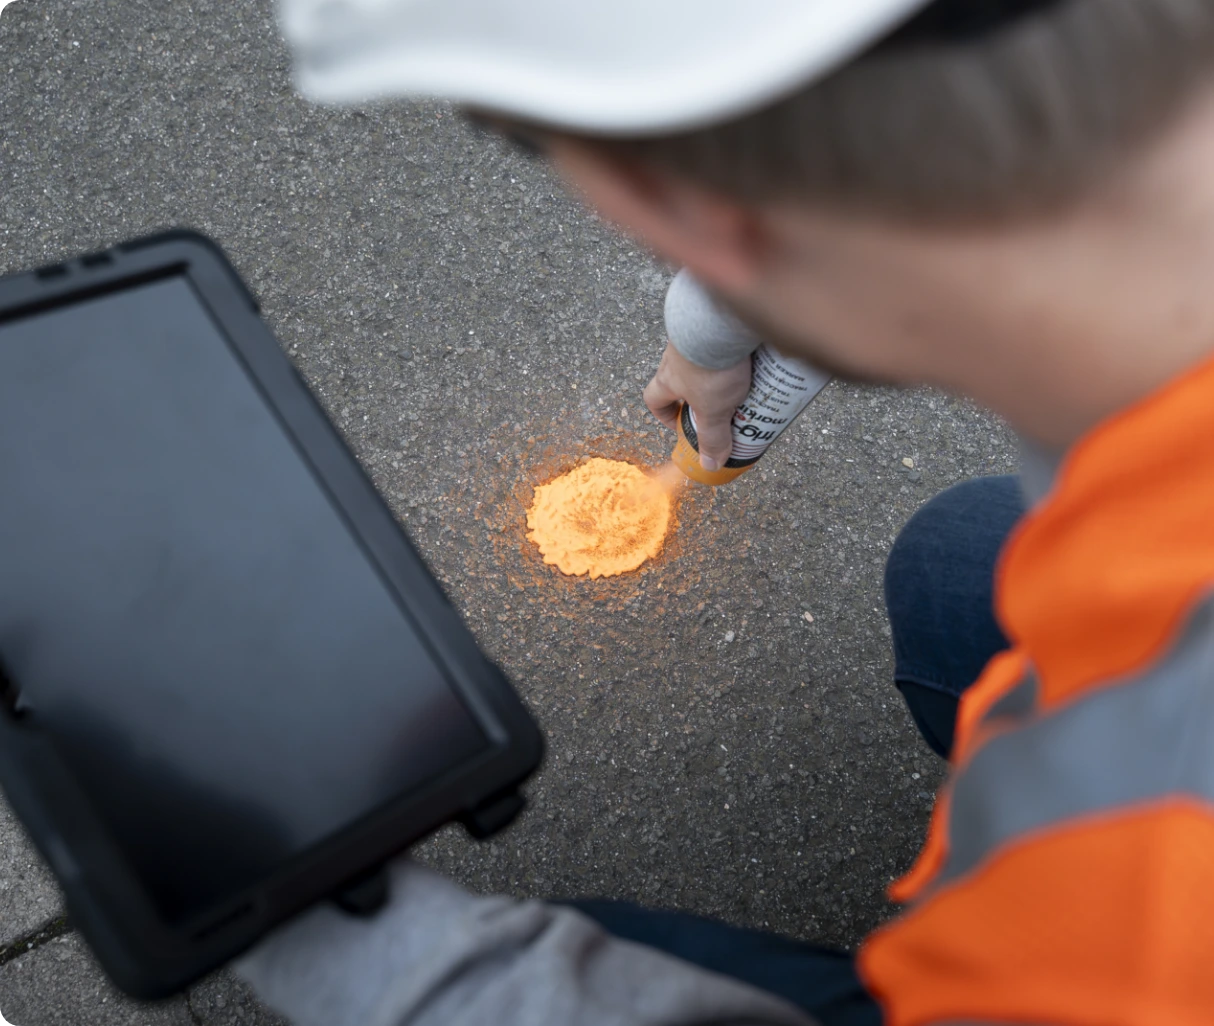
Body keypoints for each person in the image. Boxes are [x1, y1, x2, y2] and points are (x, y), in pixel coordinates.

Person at [241, 0, 1214, 1023]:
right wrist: (724, 315)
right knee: (949, 568)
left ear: (676, 212)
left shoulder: (1145, 913)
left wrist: (318, 930)